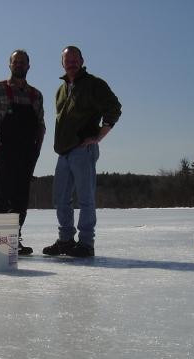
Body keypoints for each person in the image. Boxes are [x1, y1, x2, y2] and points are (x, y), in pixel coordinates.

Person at [43, 46, 122, 257]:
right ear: (62, 63)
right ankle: (66, 240)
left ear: (82, 60)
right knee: (60, 199)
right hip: (63, 152)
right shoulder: (61, 89)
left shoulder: (94, 84)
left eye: (75, 59)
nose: (71, 63)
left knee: (85, 198)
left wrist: (98, 137)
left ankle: (86, 243)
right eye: (67, 60)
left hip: (82, 150)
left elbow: (114, 108)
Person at [0, 50, 46, 255]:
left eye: (23, 62)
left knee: (20, 199)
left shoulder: (36, 95)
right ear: (9, 65)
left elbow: (41, 125)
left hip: (27, 152)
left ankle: (13, 241)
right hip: (4, 149)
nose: (20, 65)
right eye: (16, 62)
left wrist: (37, 150)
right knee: (2, 197)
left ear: (29, 66)